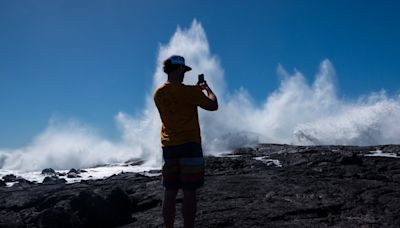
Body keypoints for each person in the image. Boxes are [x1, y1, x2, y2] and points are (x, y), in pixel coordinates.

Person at [153, 55, 218, 228]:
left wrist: (194, 92)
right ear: (180, 69)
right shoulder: (190, 92)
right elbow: (213, 105)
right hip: (190, 145)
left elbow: (178, 99)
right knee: (189, 193)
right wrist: (206, 89)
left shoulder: (158, 93)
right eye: (184, 70)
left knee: (169, 193)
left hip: (168, 147)